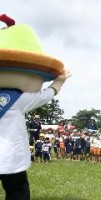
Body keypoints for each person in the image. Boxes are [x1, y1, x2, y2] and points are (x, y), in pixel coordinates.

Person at [0, 71, 70, 199]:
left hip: (11, 158)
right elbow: (43, 95)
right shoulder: (16, 98)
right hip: (11, 159)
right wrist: (58, 82)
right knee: (17, 192)